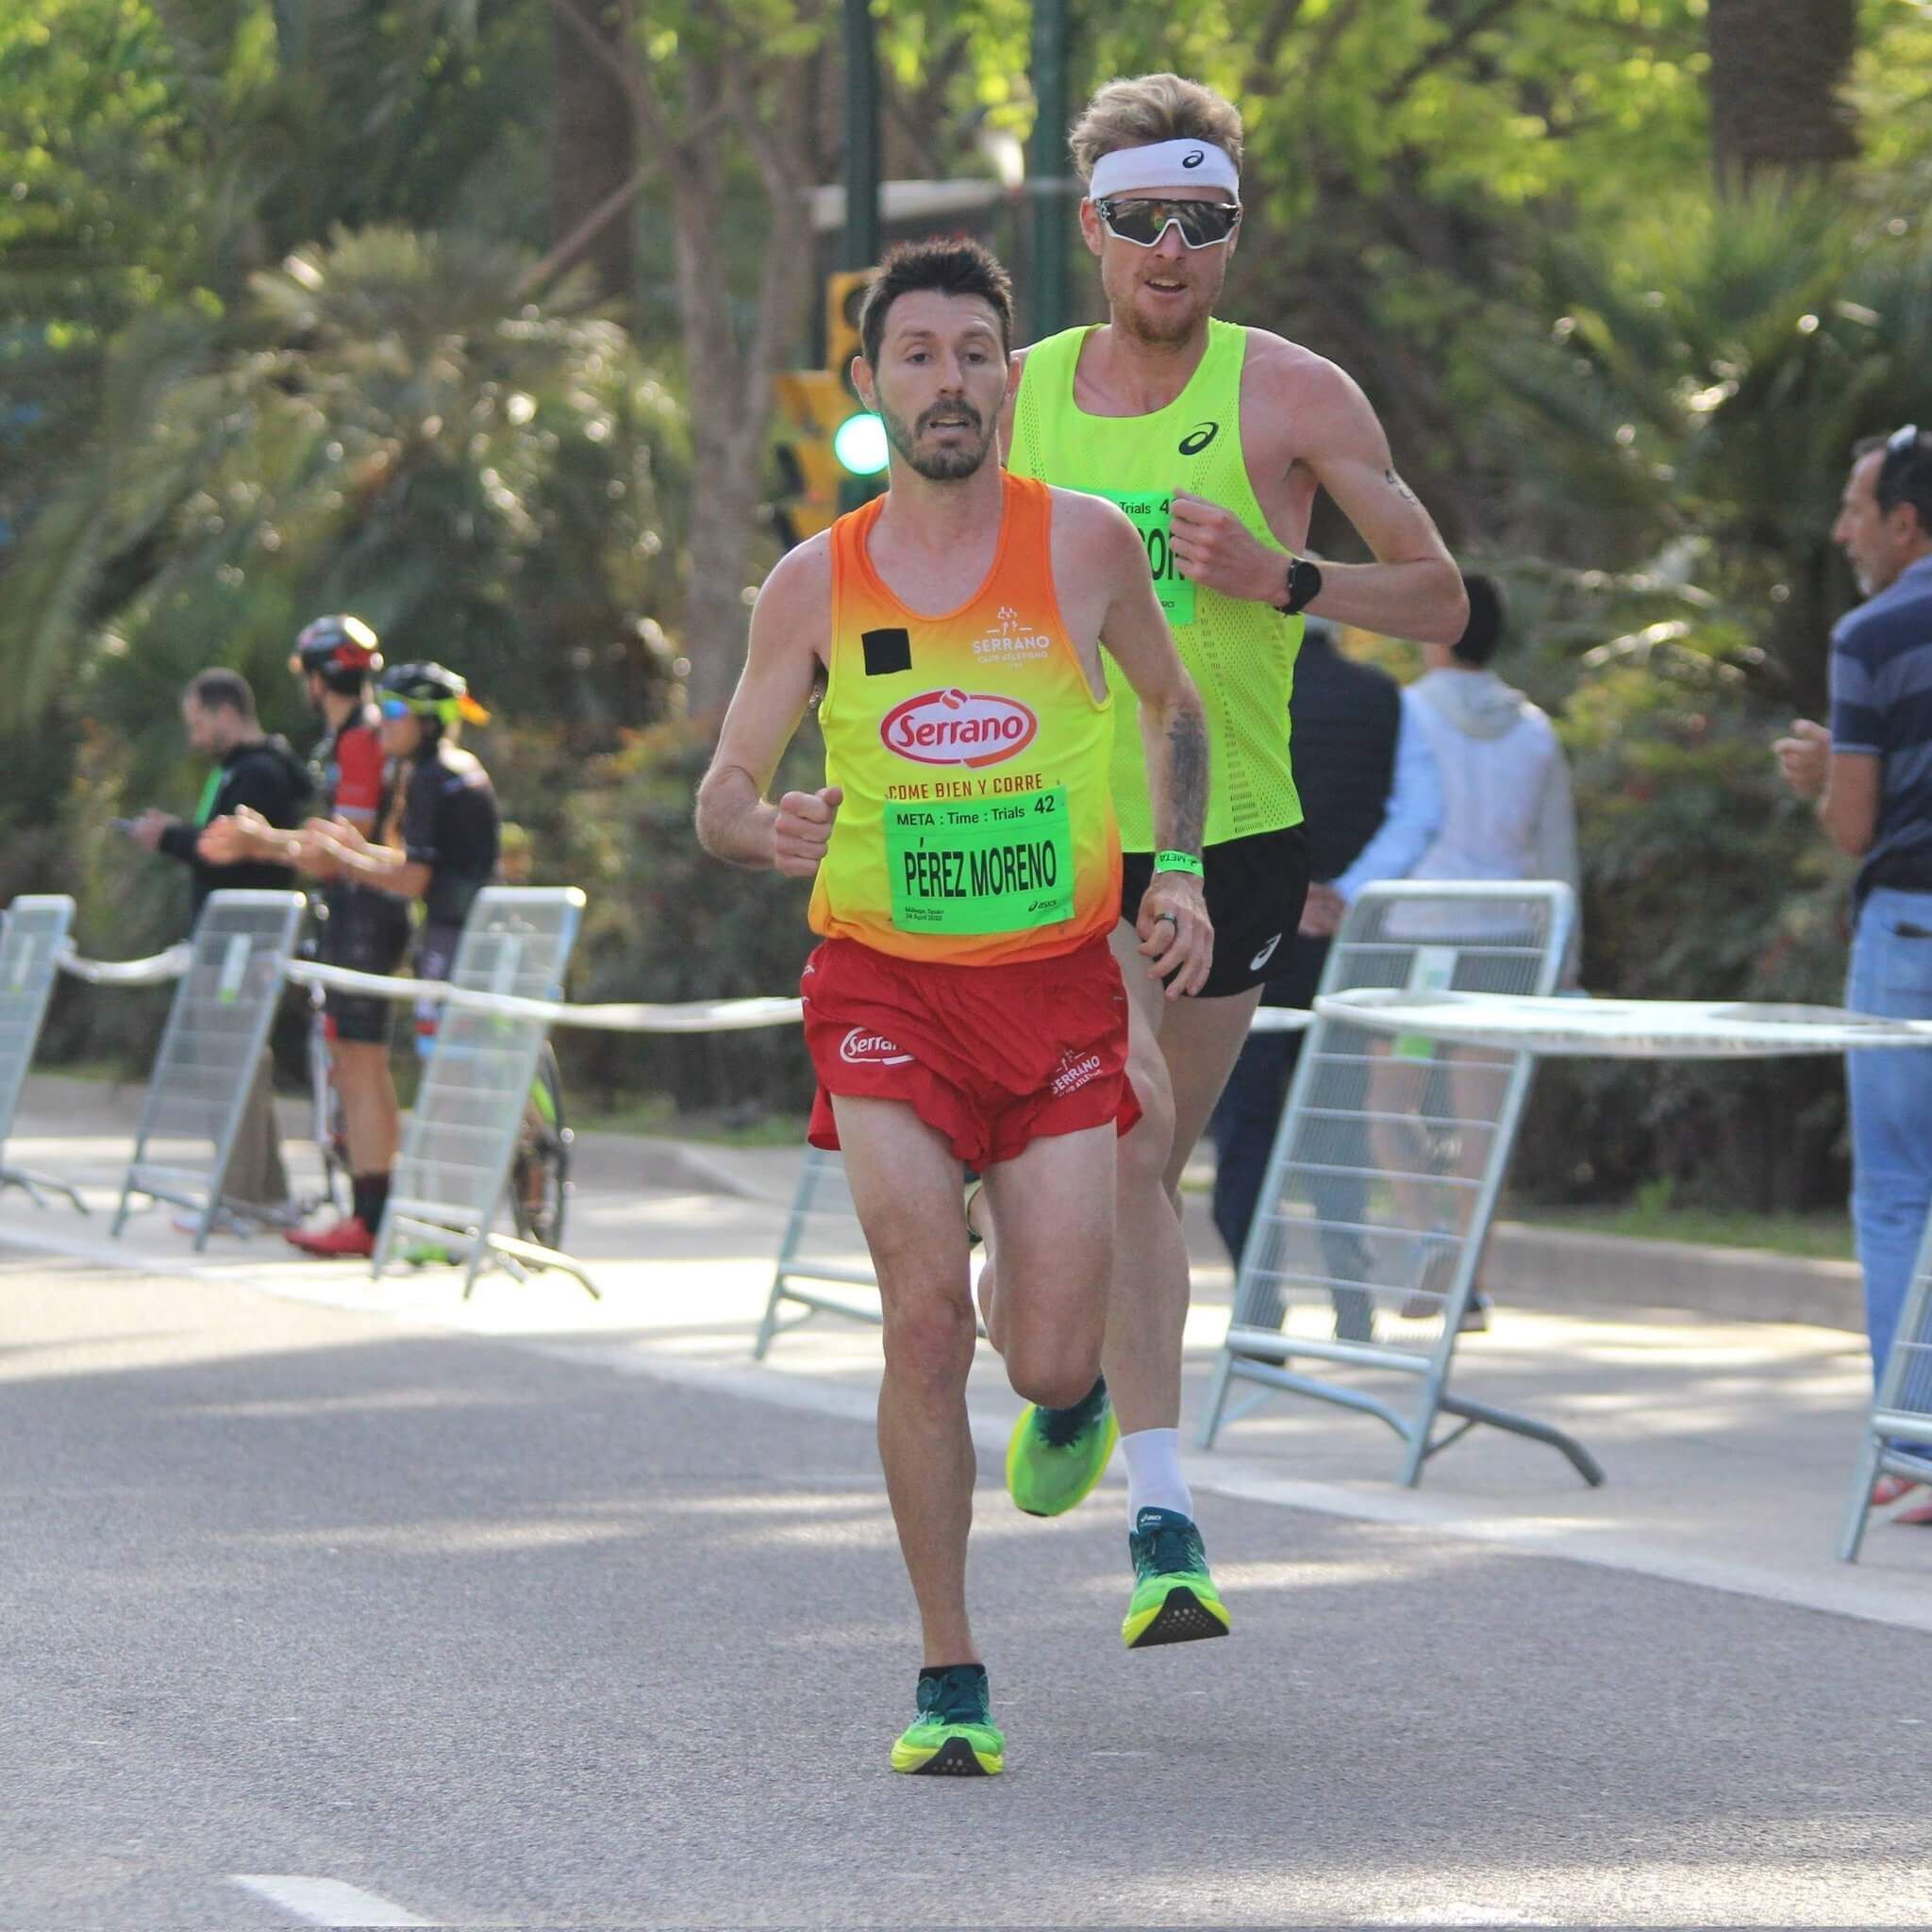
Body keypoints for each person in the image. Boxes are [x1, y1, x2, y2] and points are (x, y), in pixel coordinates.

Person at [696, 239, 1212, 1777]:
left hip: (1052, 993)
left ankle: (1069, 1392)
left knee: (1051, 1361)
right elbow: (721, 790)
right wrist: (762, 824)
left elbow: (1174, 706)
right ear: (867, 388)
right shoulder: (814, 582)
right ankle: (948, 1669)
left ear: (1009, 375)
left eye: (974, 352)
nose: (947, 380)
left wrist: (1174, 870)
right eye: (913, 355)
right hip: (882, 996)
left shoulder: (1084, 547)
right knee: (923, 1320)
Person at [997, 74, 1465, 1548]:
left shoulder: (1293, 393)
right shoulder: (1018, 393)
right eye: (1144, 219)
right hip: (1049, 833)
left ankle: (1113, 1439)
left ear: (1232, 232)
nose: (1174, 248)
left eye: (1205, 219)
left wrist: (1286, 579)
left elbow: (1445, 599)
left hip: (1234, 829)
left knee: (1136, 1160)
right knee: (1102, 1155)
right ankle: (1156, 1495)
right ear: (1095, 227)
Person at [1775, 425, 1932, 1526]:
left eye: (1855, 507)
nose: (1841, 528)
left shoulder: (1873, 633)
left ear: (1904, 524)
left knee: (1895, 1193)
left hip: (1910, 936)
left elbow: (1855, 826)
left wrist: (1821, 776)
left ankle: (1916, 1446)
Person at [1208, 621, 1441, 1315]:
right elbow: (1420, 814)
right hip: (1352, 945)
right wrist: (1342, 891)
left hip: (1245, 933)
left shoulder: (1229, 691)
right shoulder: (1385, 697)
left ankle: (1259, 1304)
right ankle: (1352, 1302)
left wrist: (1282, 891)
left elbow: (1211, 805)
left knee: (1246, 1124)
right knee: (1335, 1121)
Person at [200, 616, 409, 1257]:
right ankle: (370, 1211)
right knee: (352, 1064)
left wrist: (264, 841)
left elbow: (341, 852)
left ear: (318, 680)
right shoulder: (356, 736)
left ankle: (373, 1218)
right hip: (358, 916)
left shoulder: (359, 741)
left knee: (363, 1064)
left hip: (366, 916)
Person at [122, 667, 311, 1226]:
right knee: (242, 1061)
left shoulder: (256, 774)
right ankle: (265, 1192)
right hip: (231, 943)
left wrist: (168, 839)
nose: (195, 737)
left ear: (227, 712)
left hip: (240, 946)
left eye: (199, 723)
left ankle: (239, 1197)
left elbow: (223, 848)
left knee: (233, 1064)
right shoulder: (240, 772)